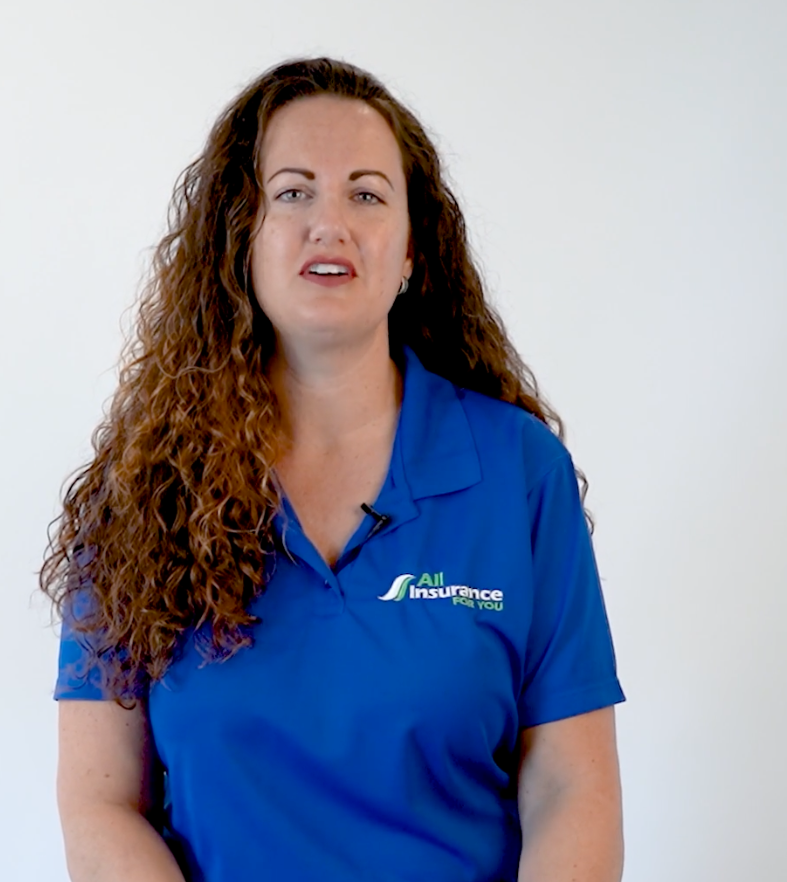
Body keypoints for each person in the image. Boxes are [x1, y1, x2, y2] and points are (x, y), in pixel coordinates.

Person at [41, 57, 625, 882]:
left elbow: (572, 784)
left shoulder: (519, 472)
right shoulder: (142, 489)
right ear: (238, 235)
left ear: (413, 249)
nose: (331, 222)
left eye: (367, 193)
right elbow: (100, 803)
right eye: (292, 191)